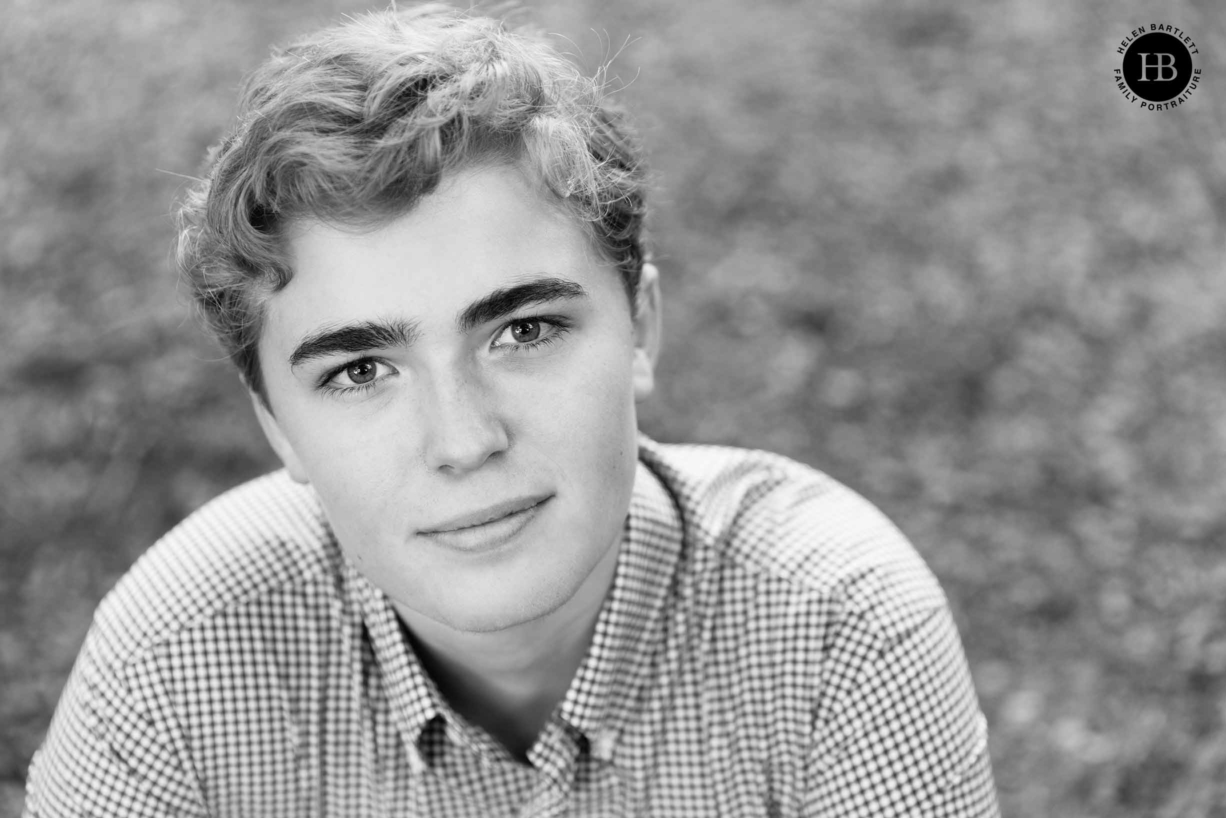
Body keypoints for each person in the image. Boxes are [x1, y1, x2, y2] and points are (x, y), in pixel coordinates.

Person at [25, 5, 999, 816]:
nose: (462, 439)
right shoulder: (181, 656)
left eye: (522, 331)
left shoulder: (832, 627)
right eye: (360, 369)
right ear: (277, 425)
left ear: (641, 329)